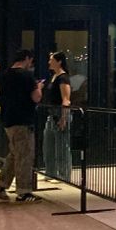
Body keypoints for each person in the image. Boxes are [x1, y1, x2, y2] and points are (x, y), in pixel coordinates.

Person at [0, 48, 43, 203]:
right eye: (30, 61)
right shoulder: (27, 76)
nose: (30, 64)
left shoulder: (4, 76)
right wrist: (39, 87)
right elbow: (36, 98)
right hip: (23, 120)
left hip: (8, 120)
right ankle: (24, 192)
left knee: (14, 154)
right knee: (25, 155)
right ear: (27, 59)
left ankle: (0, 186)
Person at [43, 51, 72, 181]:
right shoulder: (54, 76)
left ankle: (63, 174)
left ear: (59, 61)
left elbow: (66, 99)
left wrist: (64, 117)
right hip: (51, 114)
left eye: (51, 60)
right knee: (48, 144)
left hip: (59, 113)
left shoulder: (63, 77)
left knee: (61, 145)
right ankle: (51, 171)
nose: (49, 62)